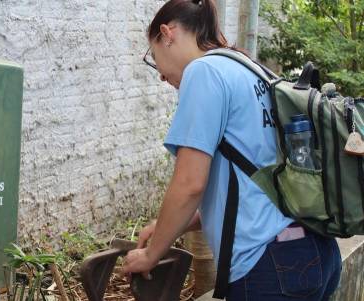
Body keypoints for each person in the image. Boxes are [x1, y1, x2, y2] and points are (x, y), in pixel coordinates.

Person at [121, 0, 342, 299]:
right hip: (315, 252)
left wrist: (151, 255)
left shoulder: (203, 72)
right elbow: (249, 187)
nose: (160, 74)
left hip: (268, 267)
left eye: (153, 56)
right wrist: (166, 228)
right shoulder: (251, 69)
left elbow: (190, 184)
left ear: (167, 33)